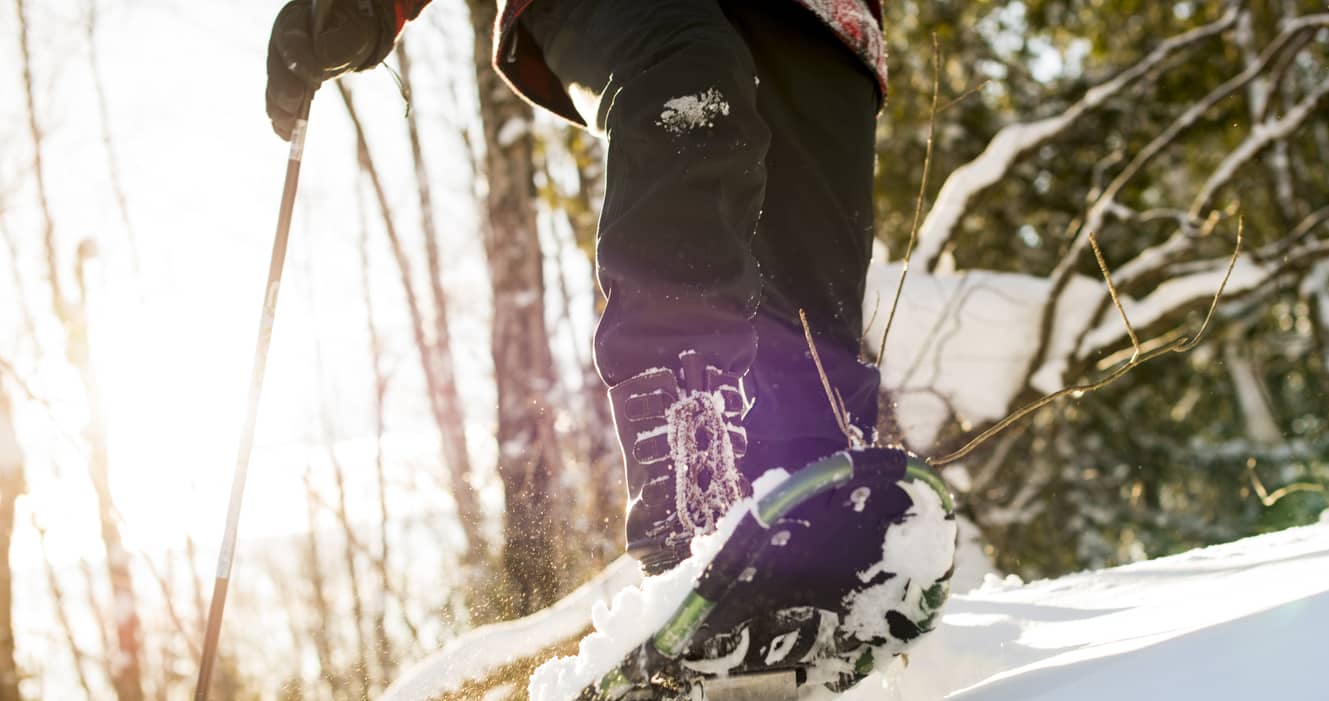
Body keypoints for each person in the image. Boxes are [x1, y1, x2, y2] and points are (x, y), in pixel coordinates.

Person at [266, 0, 895, 578]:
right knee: (688, 79)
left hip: (820, 22)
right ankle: (689, 488)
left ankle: (812, 548)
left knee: (812, 307)